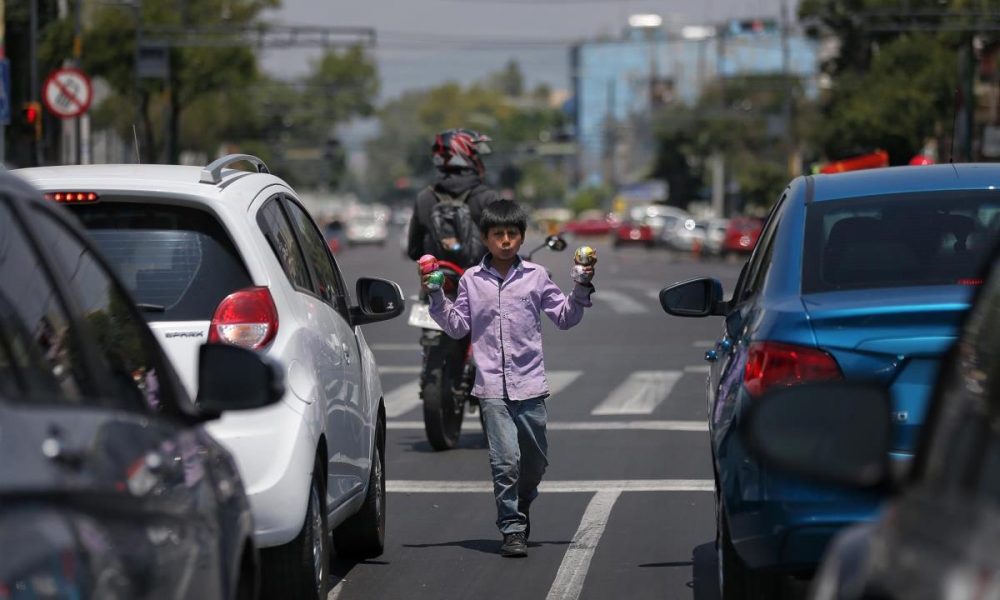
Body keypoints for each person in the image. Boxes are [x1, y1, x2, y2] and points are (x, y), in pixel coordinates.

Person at [423, 200, 596, 557]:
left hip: (531, 385)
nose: (505, 241)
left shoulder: (536, 276)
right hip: (490, 388)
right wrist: (436, 294)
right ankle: (512, 528)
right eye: (497, 234)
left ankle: (522, 502)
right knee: (505, 462)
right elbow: (457, 327)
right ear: (485, 239)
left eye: (512, 234)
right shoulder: (472, 279)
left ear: (521, 238)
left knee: (535, 463)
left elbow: (564, 317)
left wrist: (580, 286)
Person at [406, 128, 501, 267]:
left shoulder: (424, 198)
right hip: (481, 285)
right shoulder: (489, 198)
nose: (480, 162)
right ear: (464, 157)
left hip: (438, 284)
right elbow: (503, 248)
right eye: (476, 156)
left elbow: (414, 251)